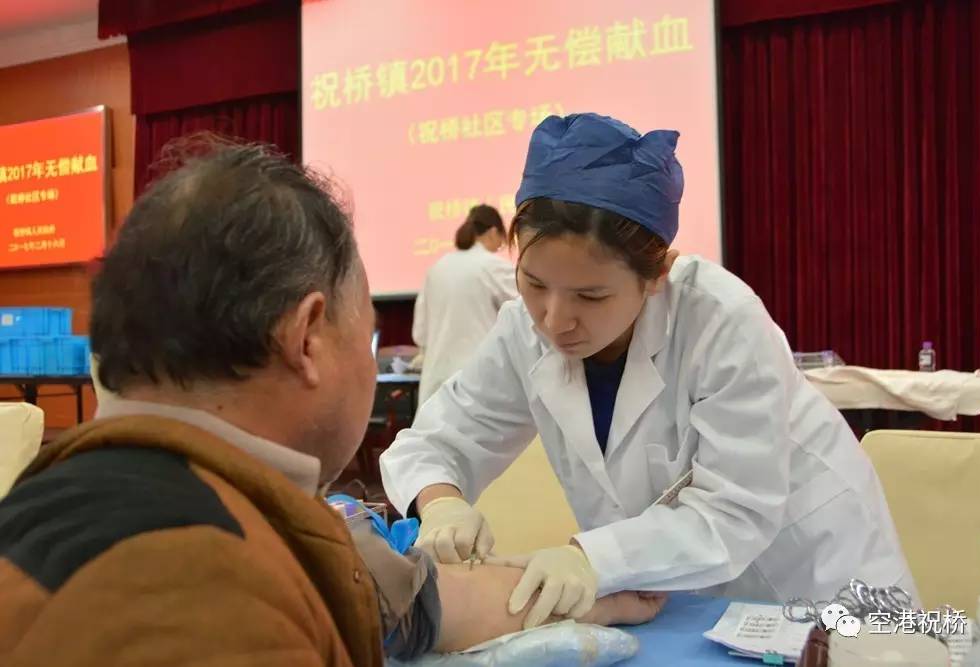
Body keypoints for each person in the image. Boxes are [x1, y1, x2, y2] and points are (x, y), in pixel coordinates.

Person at [0, 139, 665, 666]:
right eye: (365, 320)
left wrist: (594, 594)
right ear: (308, 337)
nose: (558, 318)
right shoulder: (209, 594)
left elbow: (416, 598)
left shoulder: (66, 506)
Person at [380, 113, 915, 631]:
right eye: (534, 283)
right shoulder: (523, 330)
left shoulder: (720, 321)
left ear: (658, 273)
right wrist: (442, 502)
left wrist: (590, 557)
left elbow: (735, 512)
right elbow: (434, 443)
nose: (554, 319)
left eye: (591, 295)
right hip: (676, 603)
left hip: (814, 580)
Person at [412, 204, 517, 405]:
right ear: (493, 232)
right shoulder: (493, 266)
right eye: (501, 242)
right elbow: (526, 312)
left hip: (436, 381)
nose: (499, 248)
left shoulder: (437, 268)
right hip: (479, 381)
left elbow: (420, 333)